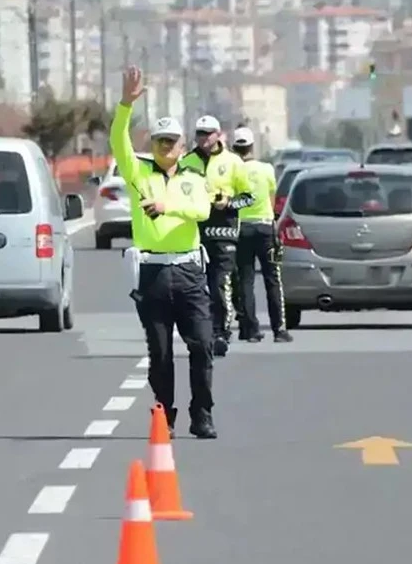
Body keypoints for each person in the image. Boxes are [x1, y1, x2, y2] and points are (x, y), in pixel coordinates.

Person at [112, 66, 218, 439]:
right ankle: (164, 416)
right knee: (159, 353)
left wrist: (166, 206)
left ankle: (202, 414)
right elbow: (118, 141)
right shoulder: (138, 173)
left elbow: (202, 211)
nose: (165, 147)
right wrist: (125, 104)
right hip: (153, 274)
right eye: (159, 141)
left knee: (202, 345)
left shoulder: (193, 179)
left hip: (189, 272)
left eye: (171, 141)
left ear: (182, 147)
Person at [180, 114, 255, 358]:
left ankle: (221, 333)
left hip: (224, 234)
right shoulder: (186, 162)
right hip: (194, 234)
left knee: (220, 284)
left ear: (218, 134)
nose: (203, 138)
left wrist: (229, 203)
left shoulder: (233, 162)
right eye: (200, 133)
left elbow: (249, 197)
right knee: (195, 288)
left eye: (208, 133)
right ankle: (201, 333)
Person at [231, 126, 292, 343]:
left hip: (241, 229)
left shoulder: (233, 170)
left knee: (245, 280)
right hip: (265, 228)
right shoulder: (266, 169)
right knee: (272, 278)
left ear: (234, 147)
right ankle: (279, 329)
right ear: (252, 146)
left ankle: (250, 329)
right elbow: (272, 197)